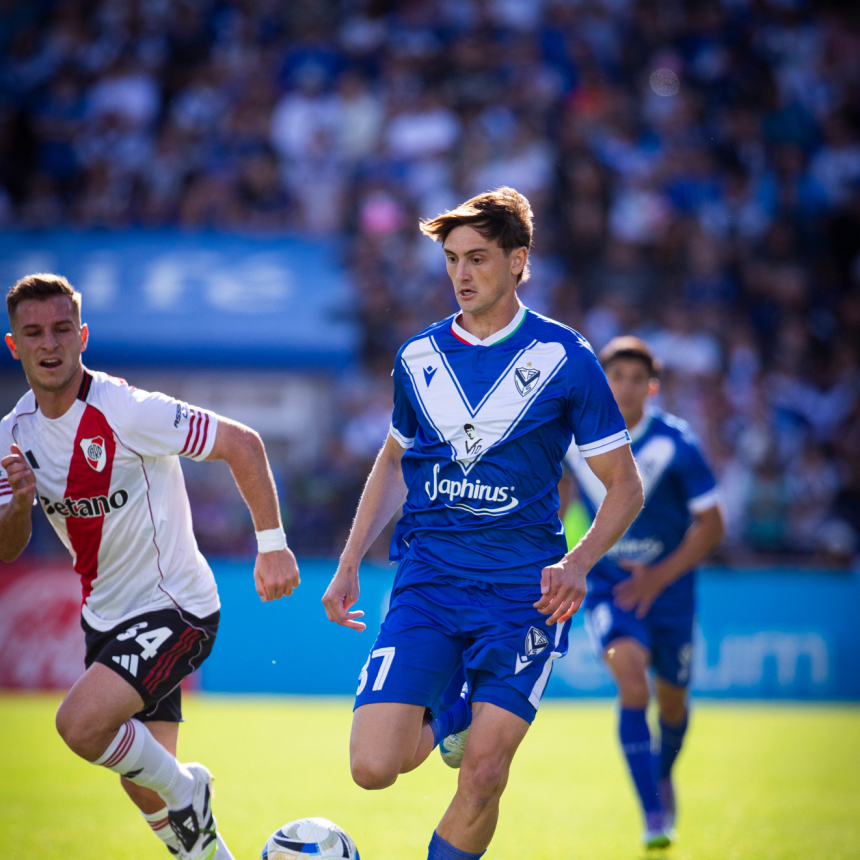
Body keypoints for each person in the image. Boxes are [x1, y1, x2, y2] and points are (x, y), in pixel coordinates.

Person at [322, 188, 644, 860]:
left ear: (518, 260)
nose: (461, 274)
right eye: (451, 259)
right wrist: (349, 561)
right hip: (429, 584)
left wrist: (578, 562)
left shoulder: (566, 358)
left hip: (523, 596)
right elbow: (394, 461)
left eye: (477, 258)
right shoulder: (418, 357)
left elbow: (625, 486)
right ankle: (454, 710)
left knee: (484, 774)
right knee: (373, 767)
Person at [0, 274, 300, 860]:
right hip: (105, 618)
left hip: (177, 607)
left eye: (62, 329)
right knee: (143, 783)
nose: (49, 343)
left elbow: (243, 442)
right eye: (33, 333)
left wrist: (272, 545)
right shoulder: (11, 436)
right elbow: (9, 548)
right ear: (14, 345)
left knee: (80, 726)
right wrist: (18, 505)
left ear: (83, 336)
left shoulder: (127, 409)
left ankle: (189, 787)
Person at [565, 336, 724, 849]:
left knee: (673, 706)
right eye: (616, 377)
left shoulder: (677, 443)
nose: (626, 387)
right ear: (602, 381)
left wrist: (658, 575)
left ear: (652, 387)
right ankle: (654, 814)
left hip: (670, 593)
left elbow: (713, 524)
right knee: (634, 686)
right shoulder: (576, 441)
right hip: (611, 590)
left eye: (638, 379)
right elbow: (559, 503)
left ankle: (664, 772)